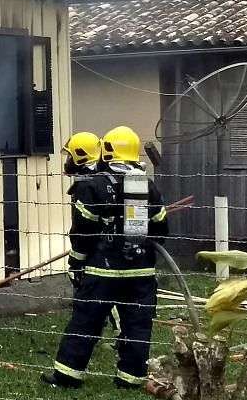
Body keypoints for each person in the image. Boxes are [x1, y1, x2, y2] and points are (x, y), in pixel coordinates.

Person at [43, 126, 168, 391]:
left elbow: (82, 233)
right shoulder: (147, 186)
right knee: (137, 325)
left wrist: (77, 263)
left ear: (107, 152)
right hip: (141, 272)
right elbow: (161, 228)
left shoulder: (94, 186)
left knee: (86, 320)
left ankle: (67, 376)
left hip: (103, 271)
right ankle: (130, 379)